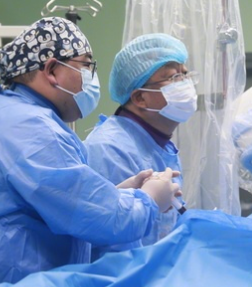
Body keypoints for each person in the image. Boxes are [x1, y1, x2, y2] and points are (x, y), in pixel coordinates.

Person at [0, 18, 180, 287]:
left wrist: (118, 193)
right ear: (52, 70)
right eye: (86, 66)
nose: (91, 78)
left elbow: (47, 204)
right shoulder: (31, 129)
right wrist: (149, 200)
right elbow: (108, 221)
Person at [84, 33, 198, 259]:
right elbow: (115, 252)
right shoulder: (110, 150)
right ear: (140, 98)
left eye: (185, 74)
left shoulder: (159, 145)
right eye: (173, 77)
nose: (185, 84)